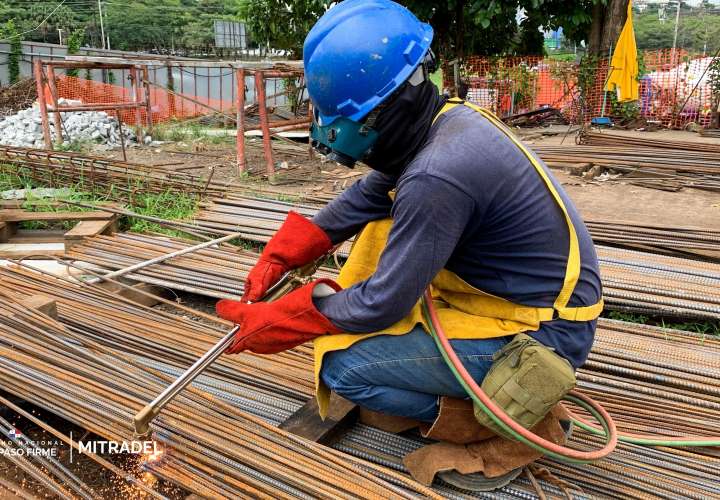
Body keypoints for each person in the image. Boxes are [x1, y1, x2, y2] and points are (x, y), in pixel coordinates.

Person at [216, 0, 603, 491]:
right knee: (378, 236)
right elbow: (368, 196)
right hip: (515, 300)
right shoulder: (444, 124)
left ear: (384, 109)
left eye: (343, 118)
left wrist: (287, 317)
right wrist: (284, 253)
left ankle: (516, 423)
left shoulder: (438, 175)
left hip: (542, 333)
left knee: (344, 369)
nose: (332, 131)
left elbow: (381, 303)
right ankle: (487, 395)